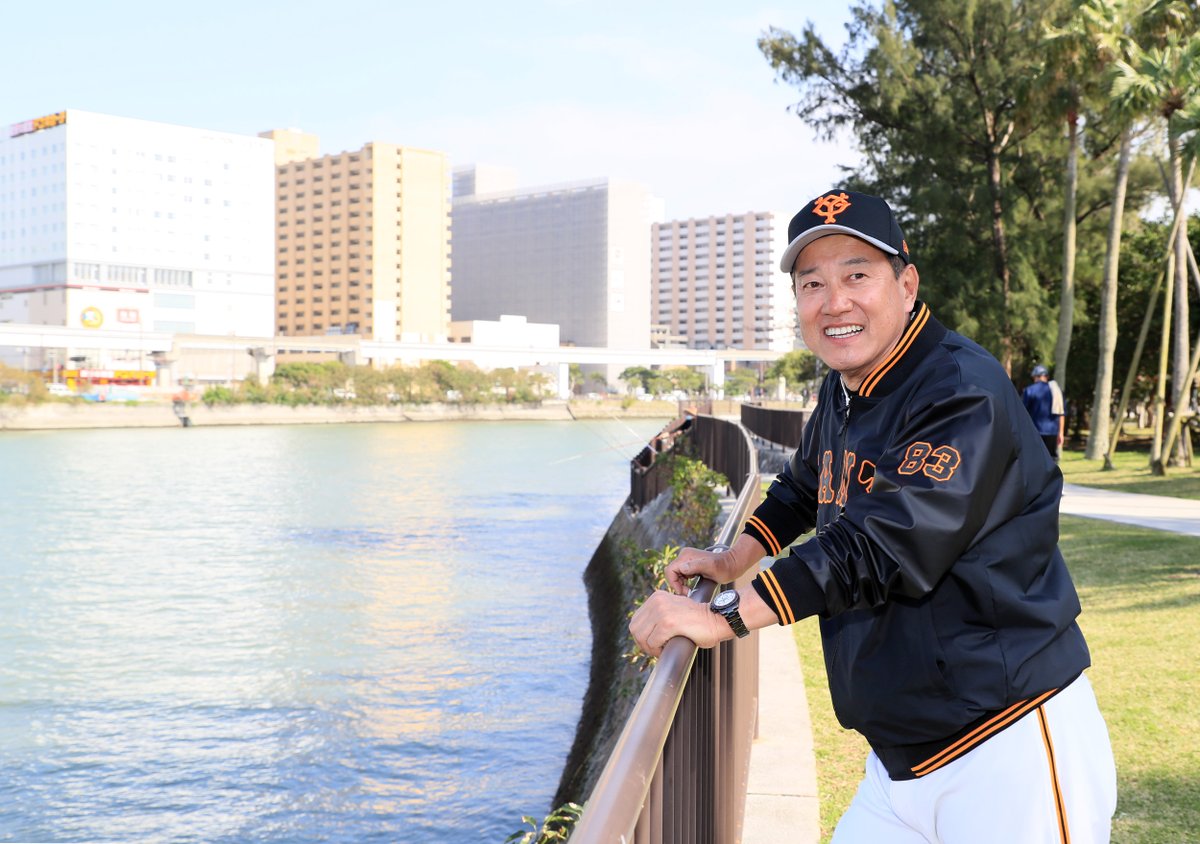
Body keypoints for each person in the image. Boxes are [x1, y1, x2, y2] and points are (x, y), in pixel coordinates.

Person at [630, 190, 1116, 843]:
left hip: (1009, 742)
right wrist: (730, 559)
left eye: (857, 274)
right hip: (899, 759)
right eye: (813, 284)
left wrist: (721, 616)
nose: (835, 301)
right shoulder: (845, 385)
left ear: (906, 283)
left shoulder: (959, 388)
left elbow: (884, 544)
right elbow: (805, 485)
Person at [1023, 364, 1066, 459]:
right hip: (1052, 432)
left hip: (1034, 432)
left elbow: (1024, 414)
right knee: (1052, 459)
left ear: (1035, 377)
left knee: (1035, 459)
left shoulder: (1029, 390)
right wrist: (1061, 433)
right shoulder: (1057, 391)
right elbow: (1061, 413)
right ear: (1046, 377)